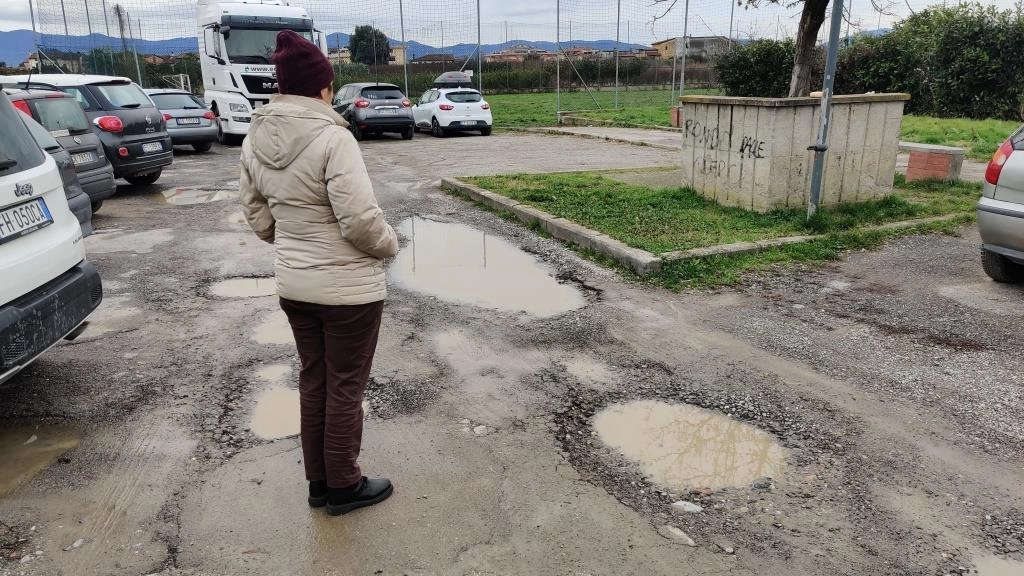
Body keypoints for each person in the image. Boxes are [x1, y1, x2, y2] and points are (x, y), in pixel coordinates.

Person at [238, 30, 398, 516]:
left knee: (315, 381)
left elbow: (257, 212)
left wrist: (291, 242)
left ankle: (319, 484)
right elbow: (360, 221)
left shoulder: (254, 136)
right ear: (323, 88)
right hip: (348, 293)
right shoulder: (333, 137)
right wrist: (389, 246)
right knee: (344, 386)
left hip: (295, 286)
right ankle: (345, 486)